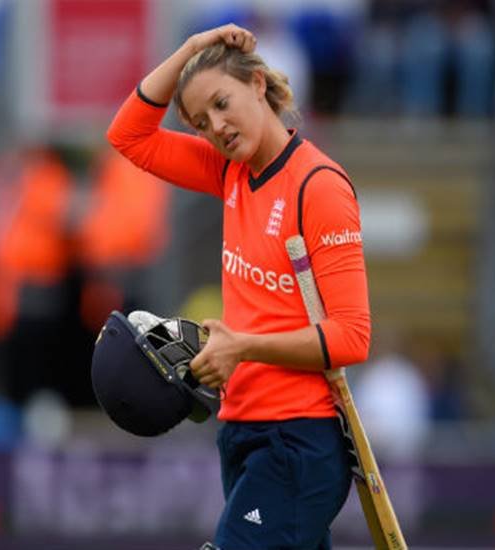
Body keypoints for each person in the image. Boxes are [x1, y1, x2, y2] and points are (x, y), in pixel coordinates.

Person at [106, 24, 370, 550]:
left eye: (223, 103)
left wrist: (242, 346)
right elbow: (128, 136)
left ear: (257, 84)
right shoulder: (229, 172)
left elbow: (351, 337)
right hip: (241, 429)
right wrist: (189, 53)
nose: (217, 127)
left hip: (298, 440)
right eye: (202, 122)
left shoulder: (319, 187)